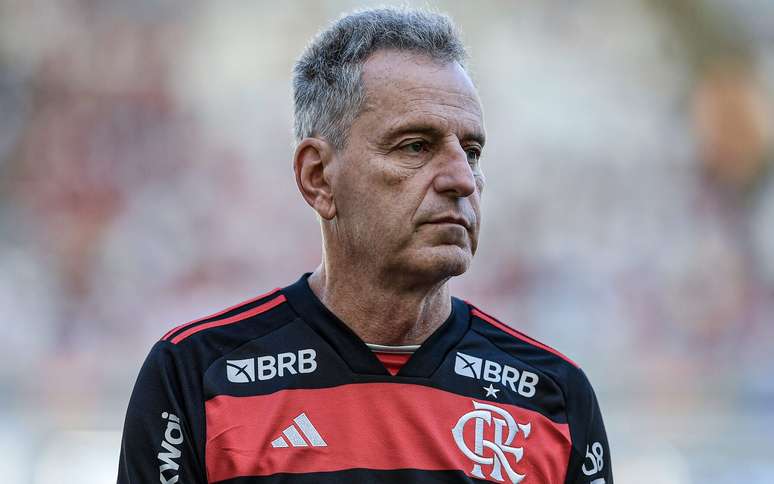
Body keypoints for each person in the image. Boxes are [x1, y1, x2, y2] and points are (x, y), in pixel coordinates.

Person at [118, 7, 613, 484]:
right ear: (318, 178)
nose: (463, 179)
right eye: (415, 146)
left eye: (473, 151)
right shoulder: (194, 377)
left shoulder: (554, 398)